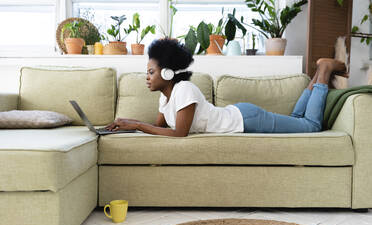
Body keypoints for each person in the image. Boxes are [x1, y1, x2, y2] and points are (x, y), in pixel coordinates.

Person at [105, 38, 347, 137]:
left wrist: (137, 125)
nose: (147, 77)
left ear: (168, 73)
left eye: (151, 72)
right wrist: (127, 124)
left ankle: (324, 70)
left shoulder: (184, 91)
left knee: (311, 127)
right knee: (296, 119)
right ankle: (318, 73)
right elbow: (157, 126)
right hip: (243, 114)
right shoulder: (166, 98)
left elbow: (179, 133)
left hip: (246, 119)